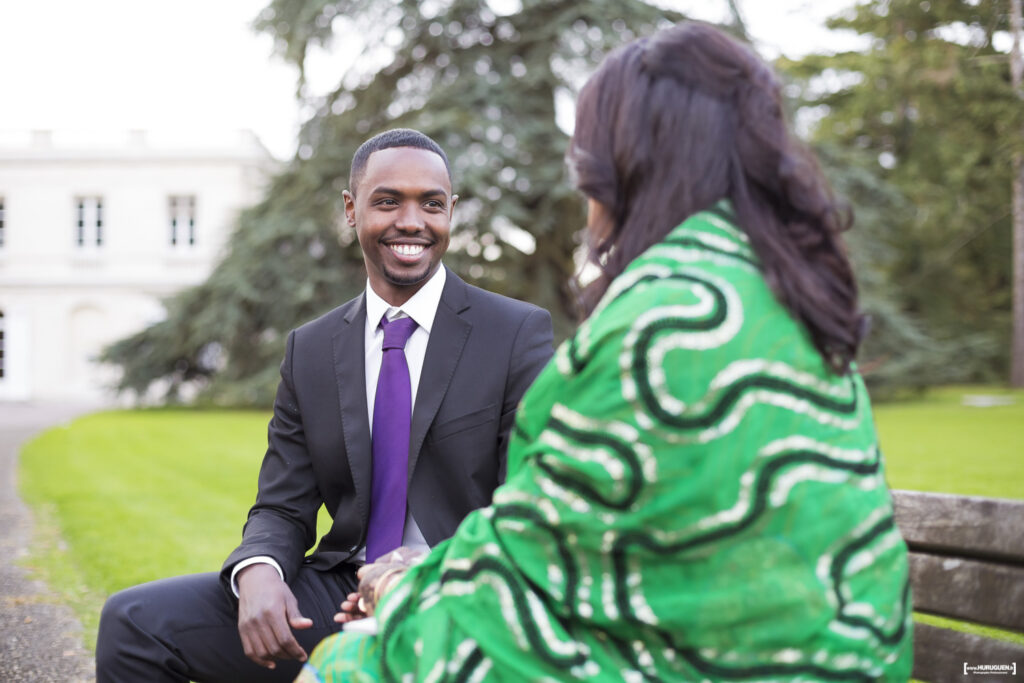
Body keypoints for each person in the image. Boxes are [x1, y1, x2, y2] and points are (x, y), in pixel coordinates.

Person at [298, 22, 913, 682]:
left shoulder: (656, 326)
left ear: (619, 176)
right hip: (842, 652)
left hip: (717, 663)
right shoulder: (783, 290)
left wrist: (398, 587)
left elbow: (520, 573)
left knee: (351, 660)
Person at [95, 128, 554, 683]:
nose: (412, 221)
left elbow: (527, 506)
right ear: (351, 210)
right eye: (388, 201)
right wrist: (258, 571)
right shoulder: (310, 349)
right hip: (339, 594)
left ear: (451, 213)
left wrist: (427, 570)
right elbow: (282, 506)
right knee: (135, 623)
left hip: (461, 589)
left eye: (431, 204)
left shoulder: (514, 334)